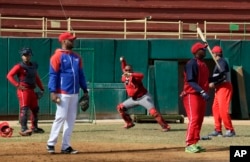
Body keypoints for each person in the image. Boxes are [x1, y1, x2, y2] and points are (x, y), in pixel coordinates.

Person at [46, 32, 88, 154]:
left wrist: (85, 90)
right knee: (60, 117)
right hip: (62, 92)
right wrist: (53, 91)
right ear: (64, 41)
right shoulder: (56, 57)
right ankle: (51, 143)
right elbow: (53, 75)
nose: (73, 41)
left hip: (75, 92)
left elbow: (80, 75)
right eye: (71, 40)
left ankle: (66, 146)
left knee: (71, 119)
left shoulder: (76, 57)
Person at [117, 56, 170, 132]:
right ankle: (129, 123)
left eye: (129, 70)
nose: (127, 71)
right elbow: (124, 67)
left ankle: (165, 126)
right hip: (134, 99)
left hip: (143, 97)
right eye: (126, 70)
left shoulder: (134, 77)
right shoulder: (124, 76)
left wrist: (131, 74)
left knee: (153, 112)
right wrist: (123, 61)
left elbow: (141, 75)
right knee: (120, 108)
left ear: (132, 71)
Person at [6, 48, 45, 136]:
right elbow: (9, 76)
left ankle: (34, 127)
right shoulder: (19, 66)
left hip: (31, 90)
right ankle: (23, 129)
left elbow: (36, 77)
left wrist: (42, 88)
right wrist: (17, 85)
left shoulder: (33, 66)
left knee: (35, 109)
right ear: (22, 56)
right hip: (24, 90)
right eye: (24, 55)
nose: (26, 57)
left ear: (30, 56)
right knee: (24, 109)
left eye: (28, 55)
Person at [180, 42, 210, 153]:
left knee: (199, 120)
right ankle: (189, 144)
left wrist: (219, 76)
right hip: (191, 94)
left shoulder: (203, 64)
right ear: (197, 51)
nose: (205, 51)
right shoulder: (191, 63)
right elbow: (190, 81)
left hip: (200, 95)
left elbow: (206, 80)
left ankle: (195, 142)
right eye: (203, 49)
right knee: (194, 119)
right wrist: (202, 91)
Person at [207, 45, 235, 137]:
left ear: (215, 54)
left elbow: (223, 77)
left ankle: (230, 130)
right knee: (215, 108)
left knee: (223, 109)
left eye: (212, 52)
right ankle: (218, 130)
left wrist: (214, 83)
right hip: (219, 88)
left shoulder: (222, 62)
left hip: (224, 87)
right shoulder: (218, 62)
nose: (212, 54)